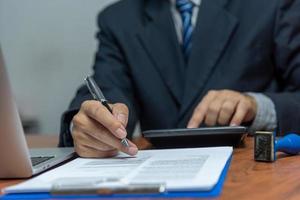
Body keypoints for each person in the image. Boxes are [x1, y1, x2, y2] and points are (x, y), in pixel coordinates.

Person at [59, 0, 300, 158]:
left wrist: (257, 106)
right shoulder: (119, 19)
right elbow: (107, 86)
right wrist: (94, 123)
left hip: (253, 173)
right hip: (154, 178)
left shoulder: (273, 5)